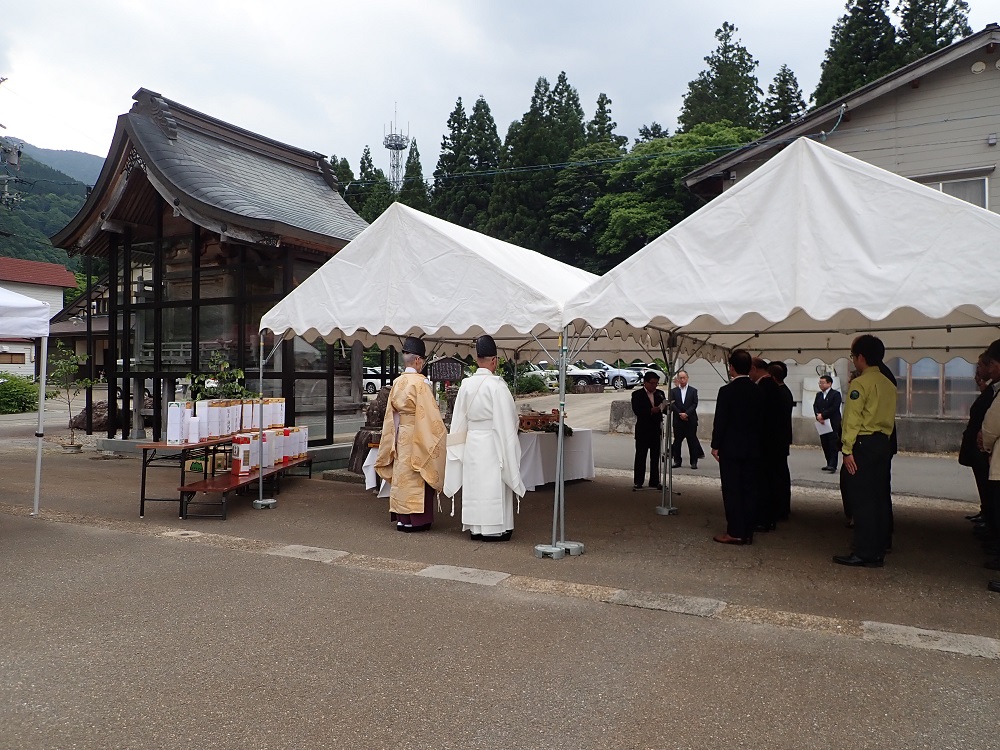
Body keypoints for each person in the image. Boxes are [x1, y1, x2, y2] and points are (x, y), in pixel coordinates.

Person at [443, 335, 525, 542]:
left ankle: (476, 528)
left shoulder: (466, 385)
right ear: (494, 360)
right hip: (492, 442)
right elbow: (508, 419)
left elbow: (458, 420)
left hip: (472, 441)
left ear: (477, 359)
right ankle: (496, 529)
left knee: (474, 484)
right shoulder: (497, 386)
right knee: (493, 483)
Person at [833, 334, 896, 567]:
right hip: (883, 443)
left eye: (853, 356)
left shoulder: (860, 384)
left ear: (861, 357)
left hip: (863, 444)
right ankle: (878, 549)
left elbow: (852, 419)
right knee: (879, 497)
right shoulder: (888, 384)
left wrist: (846, 449)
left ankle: (864, 551)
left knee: (861, 500)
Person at [374, 336, 447, 532]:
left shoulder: (397, 382)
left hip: (400, 434)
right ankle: (417, 519)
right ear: (417, 360)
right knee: (419, 471)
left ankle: (402, 518)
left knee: (402, 475)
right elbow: (430, 415)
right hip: (418, 433)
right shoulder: (421, 384)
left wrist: (393, 438)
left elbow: (391, 415)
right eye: (422, 360)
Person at [710, 349, 762, 545]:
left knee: (732, 490)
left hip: (731, 447)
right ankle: (748, 531)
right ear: (750, 368)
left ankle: (735, 531)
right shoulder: (758, 390)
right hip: (753, 447)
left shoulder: (726, 391)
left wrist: (716, 445)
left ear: (731, 367)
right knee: (749, 489)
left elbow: (721, 420)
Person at [631, 370, 667, 490]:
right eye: (652, 383)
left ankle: (654, 480)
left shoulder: (660, 393)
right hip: (643, 429)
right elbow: (637, 410)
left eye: (656, 383)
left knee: (655, 457)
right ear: (645, 382)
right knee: (641, 456)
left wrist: (666, 407)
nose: (654, 386)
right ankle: (638, 481)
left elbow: (664, 409)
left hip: (656, 429)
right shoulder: (637, 394)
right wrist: (651, 411)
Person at [768, 361, 794, 522]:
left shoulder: (779, 393)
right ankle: (782, 507)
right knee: (781, 473)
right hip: (781, 438)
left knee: (778, 475)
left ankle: (780, 508)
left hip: (777, 439)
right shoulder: (784, 391)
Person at [670, 369, 704, 469]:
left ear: (687, 378)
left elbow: (694, 404)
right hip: (678, 420)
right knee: (677, 442)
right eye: (680, 378)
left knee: (692, 442)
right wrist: (679, 414)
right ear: (678, 379)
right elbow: (672, 404)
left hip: (690, 420)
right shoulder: (674, 391)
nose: (682, 380)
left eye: (684, 378)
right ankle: (677, 460)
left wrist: (687, 414)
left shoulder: (693, 391)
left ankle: (693, 462)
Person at [814, 374, 843, 473]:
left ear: (829, 383)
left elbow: (834, 407)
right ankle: (828, 462)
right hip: (822, 423)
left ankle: (833, 464)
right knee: (825, 443)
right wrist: (818, 416)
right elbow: (815, 406)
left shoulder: (835, 394)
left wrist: (823, 415)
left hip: (832, 422)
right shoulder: (819, 395)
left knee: (833, 443)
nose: (820, 385)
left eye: (823, 383)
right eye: (820, 383)